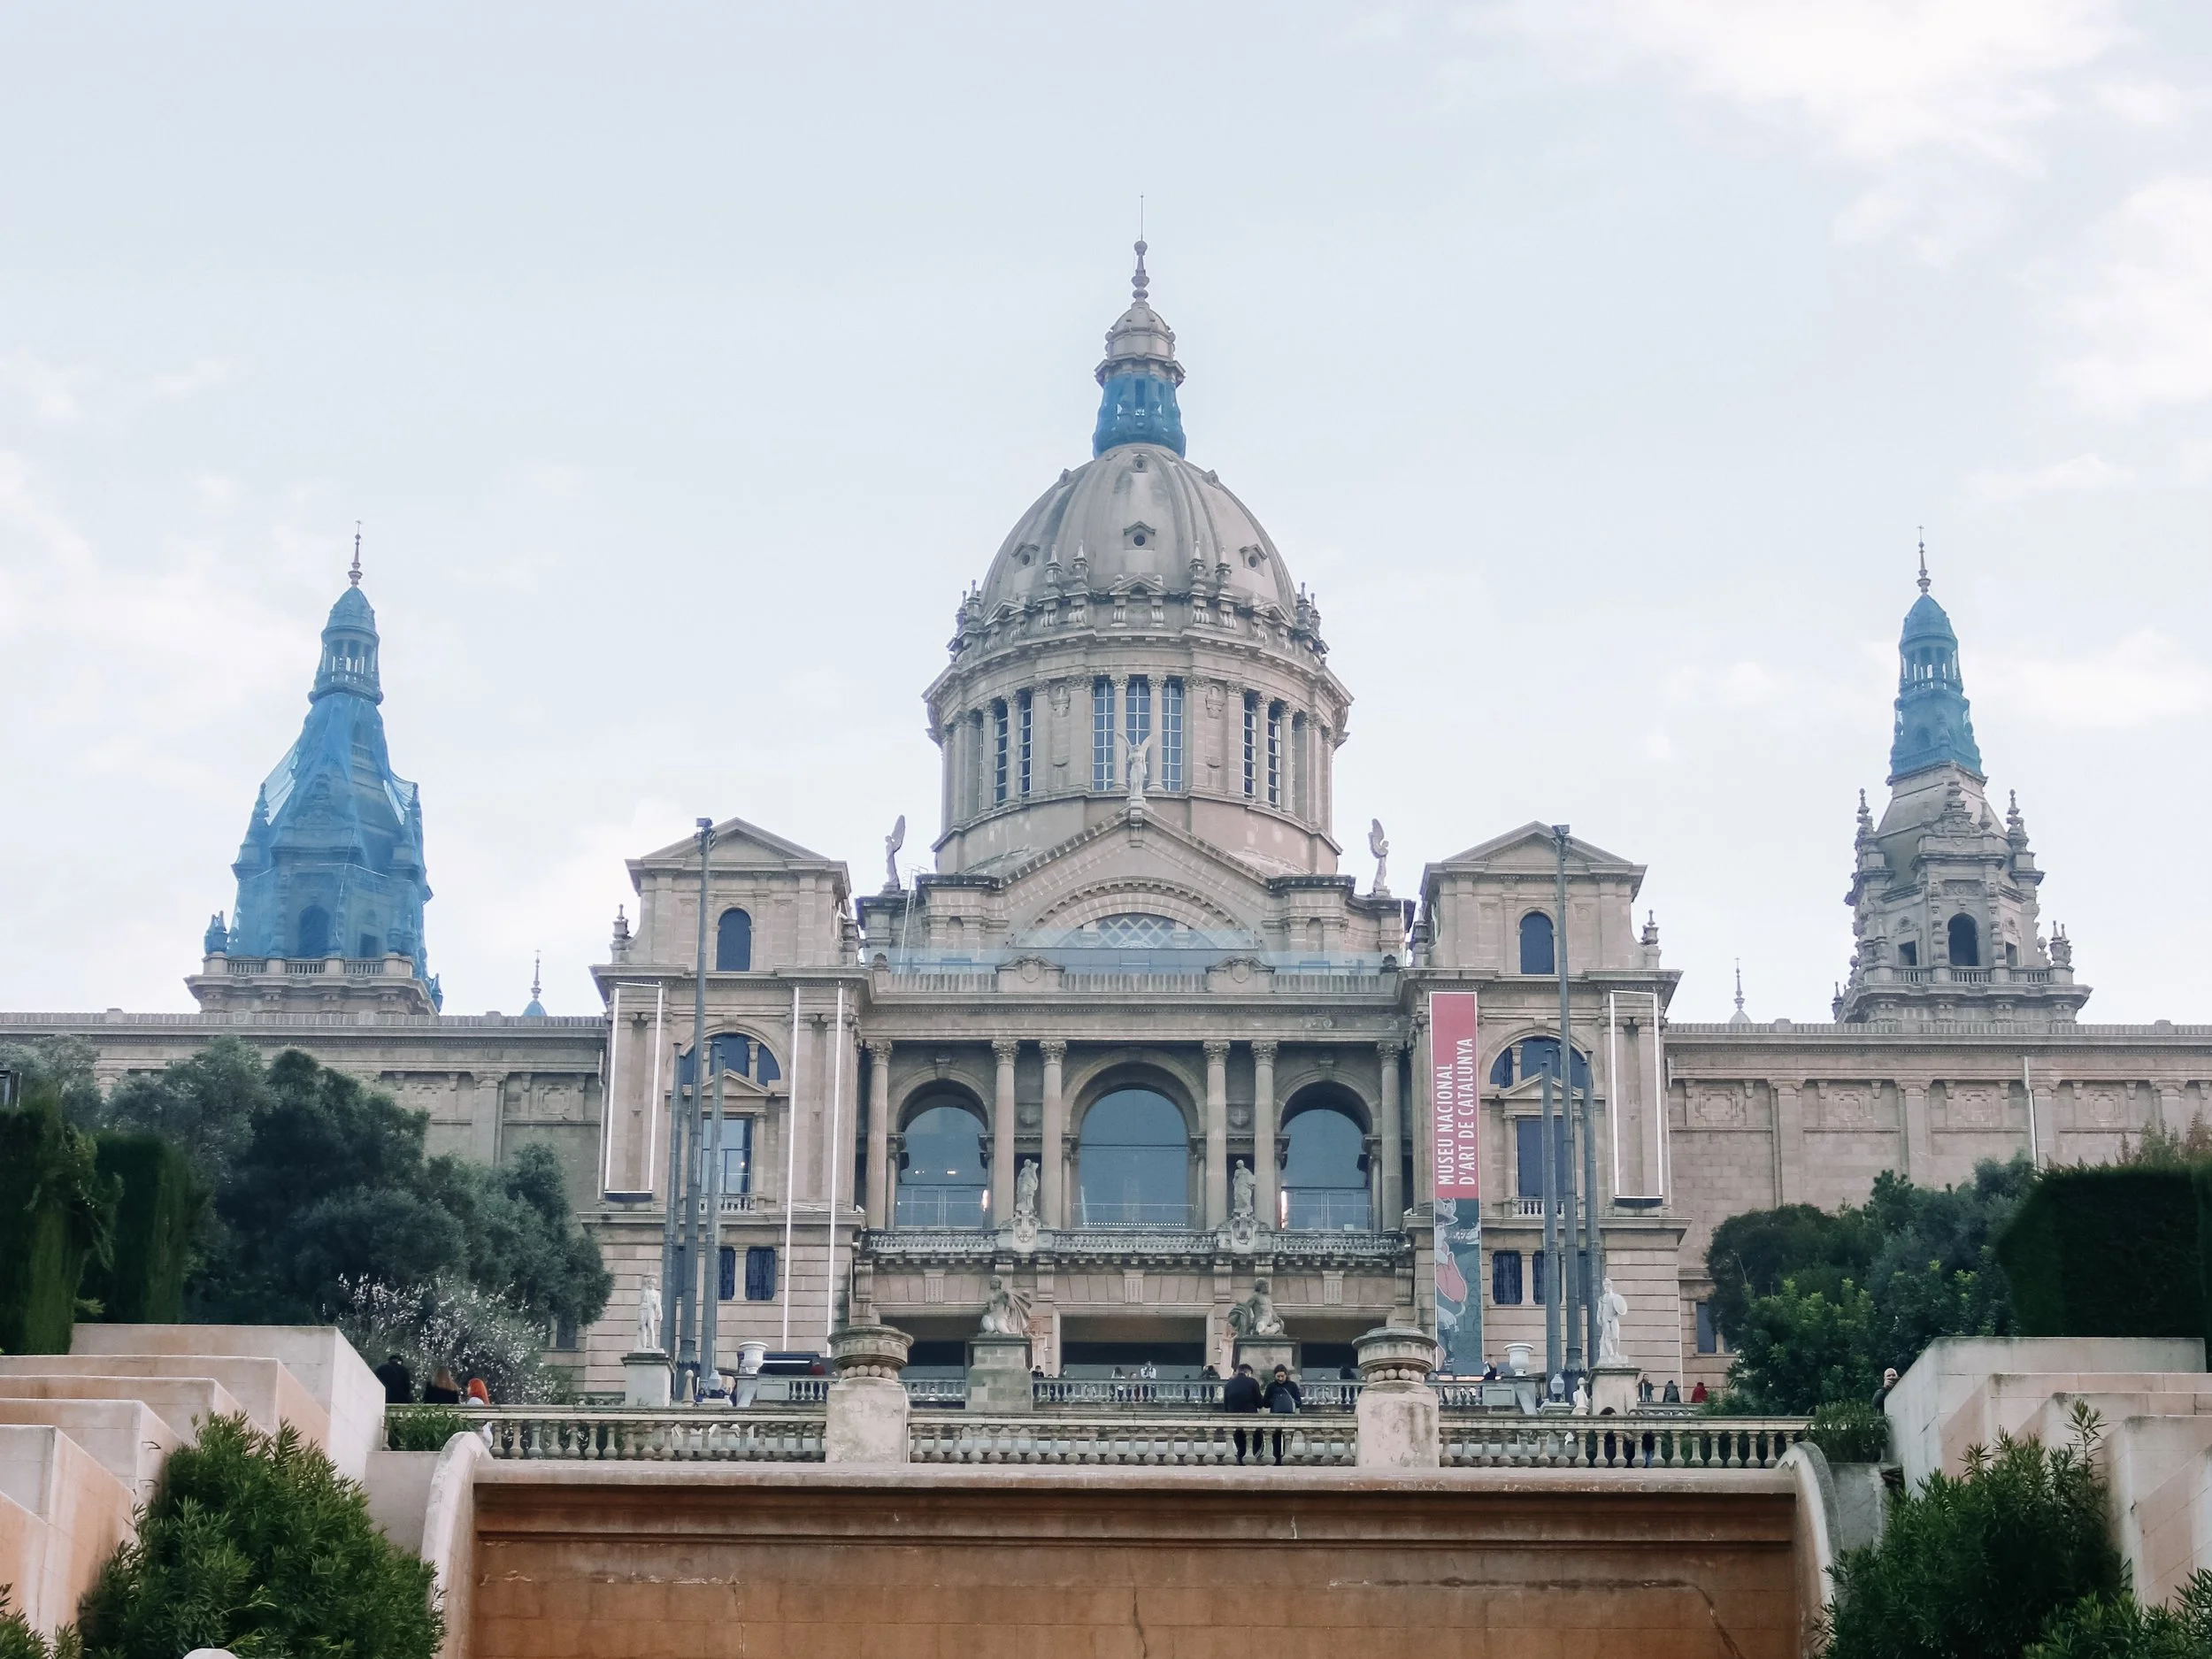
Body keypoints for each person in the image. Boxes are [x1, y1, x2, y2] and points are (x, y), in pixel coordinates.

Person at [1222, 1363, 1263, 1463]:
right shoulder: (1252, 1382)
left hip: (1234, 1419)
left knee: (1240, 1445)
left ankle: (1241, 1462)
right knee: (1257, 1443)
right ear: (1248, 1373)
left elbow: (1226, 1406)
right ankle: (1247, 1461)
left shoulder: (1228, 1384)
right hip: (1250, 1418)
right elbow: (1260, 1403)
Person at [1263, 1364, 1302, 1464]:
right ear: (1275, 1376)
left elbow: (1299, 1403)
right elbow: (1265, 1403)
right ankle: (1277, 1462)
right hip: (1275, 1417)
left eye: (1282, 1376)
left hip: (1289, 1417)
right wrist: (1273, 1401)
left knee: (1288, 1441)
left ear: (1286, 1375)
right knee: (1276, 1443)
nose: (1280, 1379)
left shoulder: (1292, 1386)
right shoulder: (1271, 1386)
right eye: (1278, 1376)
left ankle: (1286, 1461)